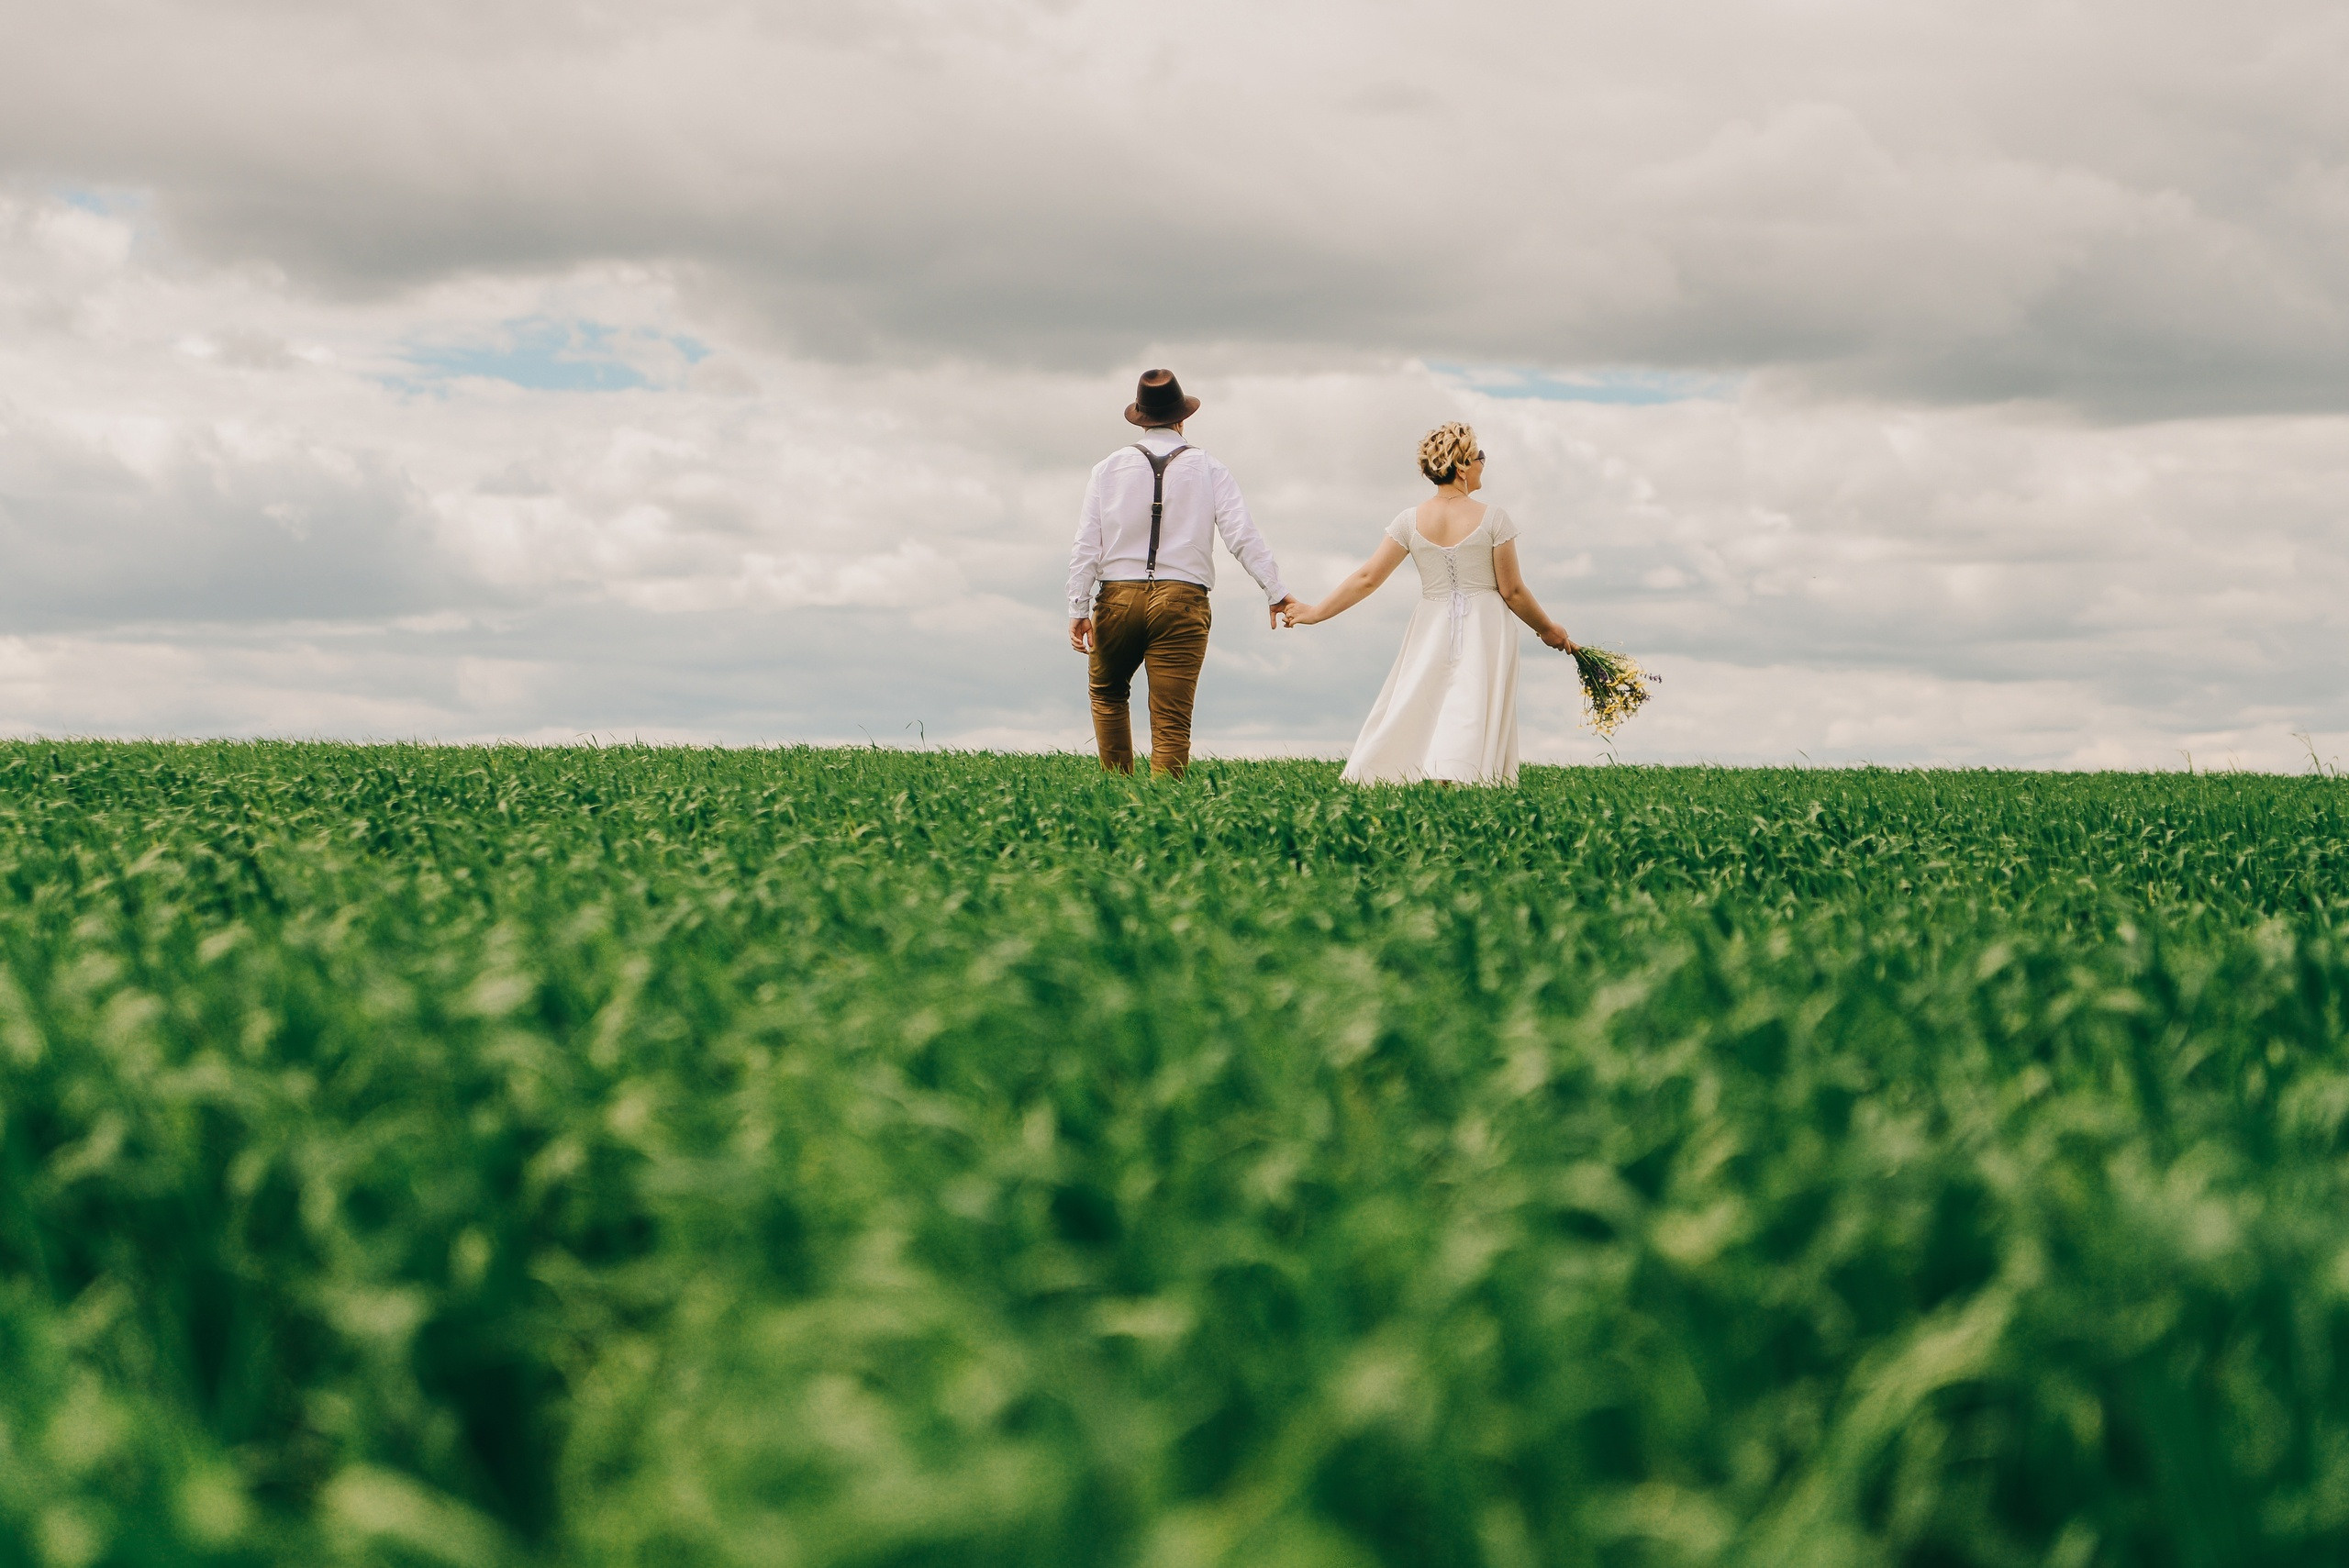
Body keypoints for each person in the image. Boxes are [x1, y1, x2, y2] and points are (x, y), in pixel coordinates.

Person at [1286, 422, 1576, 786]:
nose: (1483, 464)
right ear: (1463, 466)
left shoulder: (1409, 521)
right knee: (1471, 701)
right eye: (1480, 457)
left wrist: (1315, 613)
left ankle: (1411, 771)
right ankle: (1457, 776)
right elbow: (1512, 591)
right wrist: (1547, 629)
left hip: (1432, 621)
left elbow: (1367, 578)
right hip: (1485, 624)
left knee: (1421, 695)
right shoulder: (1493, 518)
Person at [1066, 369, 1301, 778]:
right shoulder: (1210, 468)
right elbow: (1242, 535)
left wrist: (1078, 606)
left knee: (1107, 694)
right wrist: (1276, 591)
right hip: (1183, 599)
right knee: (1172, 719)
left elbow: (1086, 545)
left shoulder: (1107, 469)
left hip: (1117, 597)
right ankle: (1166, 808)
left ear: (1141, 418)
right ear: (1182, 419)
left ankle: (1116, 793)